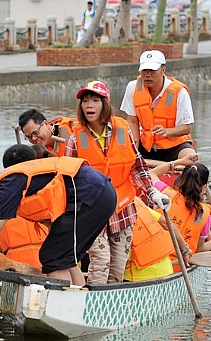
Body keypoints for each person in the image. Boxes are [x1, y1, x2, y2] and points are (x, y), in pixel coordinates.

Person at [0, 144, 118, 285]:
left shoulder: (6, 186)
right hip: (100, 193)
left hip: (90, 193)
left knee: (53, 257)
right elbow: (51, 223)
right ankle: (79, 301)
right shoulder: (15, 190)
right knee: (64, 257)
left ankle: (64, 304)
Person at [64, 80, 172, 284]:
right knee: (100, 260)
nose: (89, 105)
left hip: (122, 209)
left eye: (95, 100)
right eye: (85, 101)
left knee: (117, 265)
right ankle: (94, 300)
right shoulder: (75, 138)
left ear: (105, 104)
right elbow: (67, 180)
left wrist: (153, 194)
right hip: (92, 211)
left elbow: (138, 166)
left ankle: (110, 300)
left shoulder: (122, 129)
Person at [120, 50, 196, 166]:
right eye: (144, 70)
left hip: (174, 145)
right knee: (122, 156)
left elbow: (186, 128)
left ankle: (165, 166)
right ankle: (156, 165)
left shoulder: (179, 92)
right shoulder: (132, 87)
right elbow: (132, 121)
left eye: (152, 70)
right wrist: (134, 148)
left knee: (192, 160)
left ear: (163, 70)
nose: (147, 75)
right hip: (146, 145)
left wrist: (166, 131)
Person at [148, 159, 211, 260]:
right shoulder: (203, 214)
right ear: (204, 188)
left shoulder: (164, 193)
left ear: (181, 181)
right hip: (178, 265)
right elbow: (199, 249)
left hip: (150, 258)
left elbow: (151, 173)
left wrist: (179, 162)